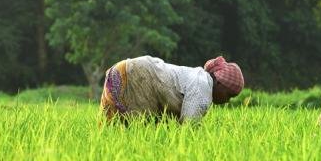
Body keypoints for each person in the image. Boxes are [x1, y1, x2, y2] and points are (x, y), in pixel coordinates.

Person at [100, 55, 244, 123]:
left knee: (110, 129)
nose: (227, 101)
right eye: (229, 95)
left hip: (121, 69)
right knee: (137, 130)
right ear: (219, 83)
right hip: (137, 75)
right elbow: (188, 127)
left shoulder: (196, 75)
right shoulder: (203, 88)